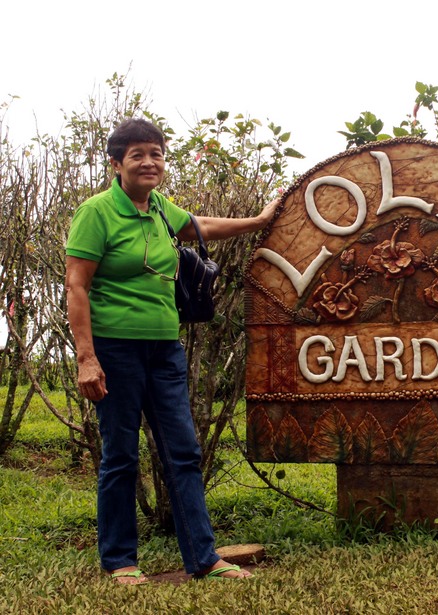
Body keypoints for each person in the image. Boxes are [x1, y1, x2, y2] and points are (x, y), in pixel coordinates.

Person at [65, 118, 279, 584]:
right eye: (138, 154)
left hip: (165, 350)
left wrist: (260, 221)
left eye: (156, 153)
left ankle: (203, 557)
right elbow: (76, 286)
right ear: (116, 163)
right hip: (115, 350)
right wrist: (87, 357)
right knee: (120, 455)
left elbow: (199, 225)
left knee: (183, 451)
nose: (149, 162)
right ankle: (121, 561)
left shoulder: (160, 209)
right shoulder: (97, 213)